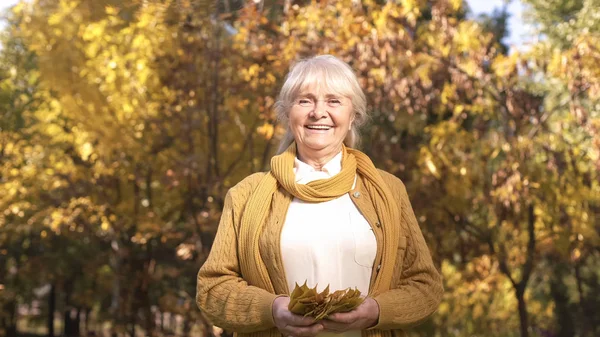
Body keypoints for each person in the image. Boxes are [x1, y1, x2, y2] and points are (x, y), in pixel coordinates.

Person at [196, 55, 443, 337]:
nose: (318, 112)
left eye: (334, 101)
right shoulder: (245, 195)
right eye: (305, 100)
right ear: (288, 115)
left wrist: (375, 311)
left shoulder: (389, 191)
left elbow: (425, 286)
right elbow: (212, 290)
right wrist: (272, 310)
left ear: (353, 117)